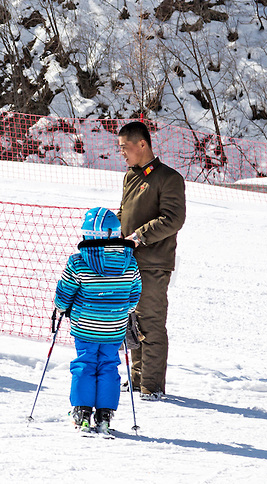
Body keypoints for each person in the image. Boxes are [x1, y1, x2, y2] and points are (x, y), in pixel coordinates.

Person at [54, 207, 141, 436]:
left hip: (85, 325)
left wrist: (61, 307)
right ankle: (104, 414)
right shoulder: (129, 262)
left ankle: (82, 411)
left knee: (85, 364)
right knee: (109, 366)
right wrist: (124, 310)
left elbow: (64, 293)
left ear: (88, 235)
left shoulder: (78, 262)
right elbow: (134, 294)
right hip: (115, 327)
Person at [117, 121, 186, 401]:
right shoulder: (130, 176)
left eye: (124, 147)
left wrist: (139, 236)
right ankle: (136, 379)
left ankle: (152, 386)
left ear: (142, 144)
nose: (121, 153)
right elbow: (124, 215)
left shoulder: (168, 178)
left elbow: (173, 219)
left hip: (154, 263)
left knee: (152, 323)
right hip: (128, 261)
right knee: (132, 321)